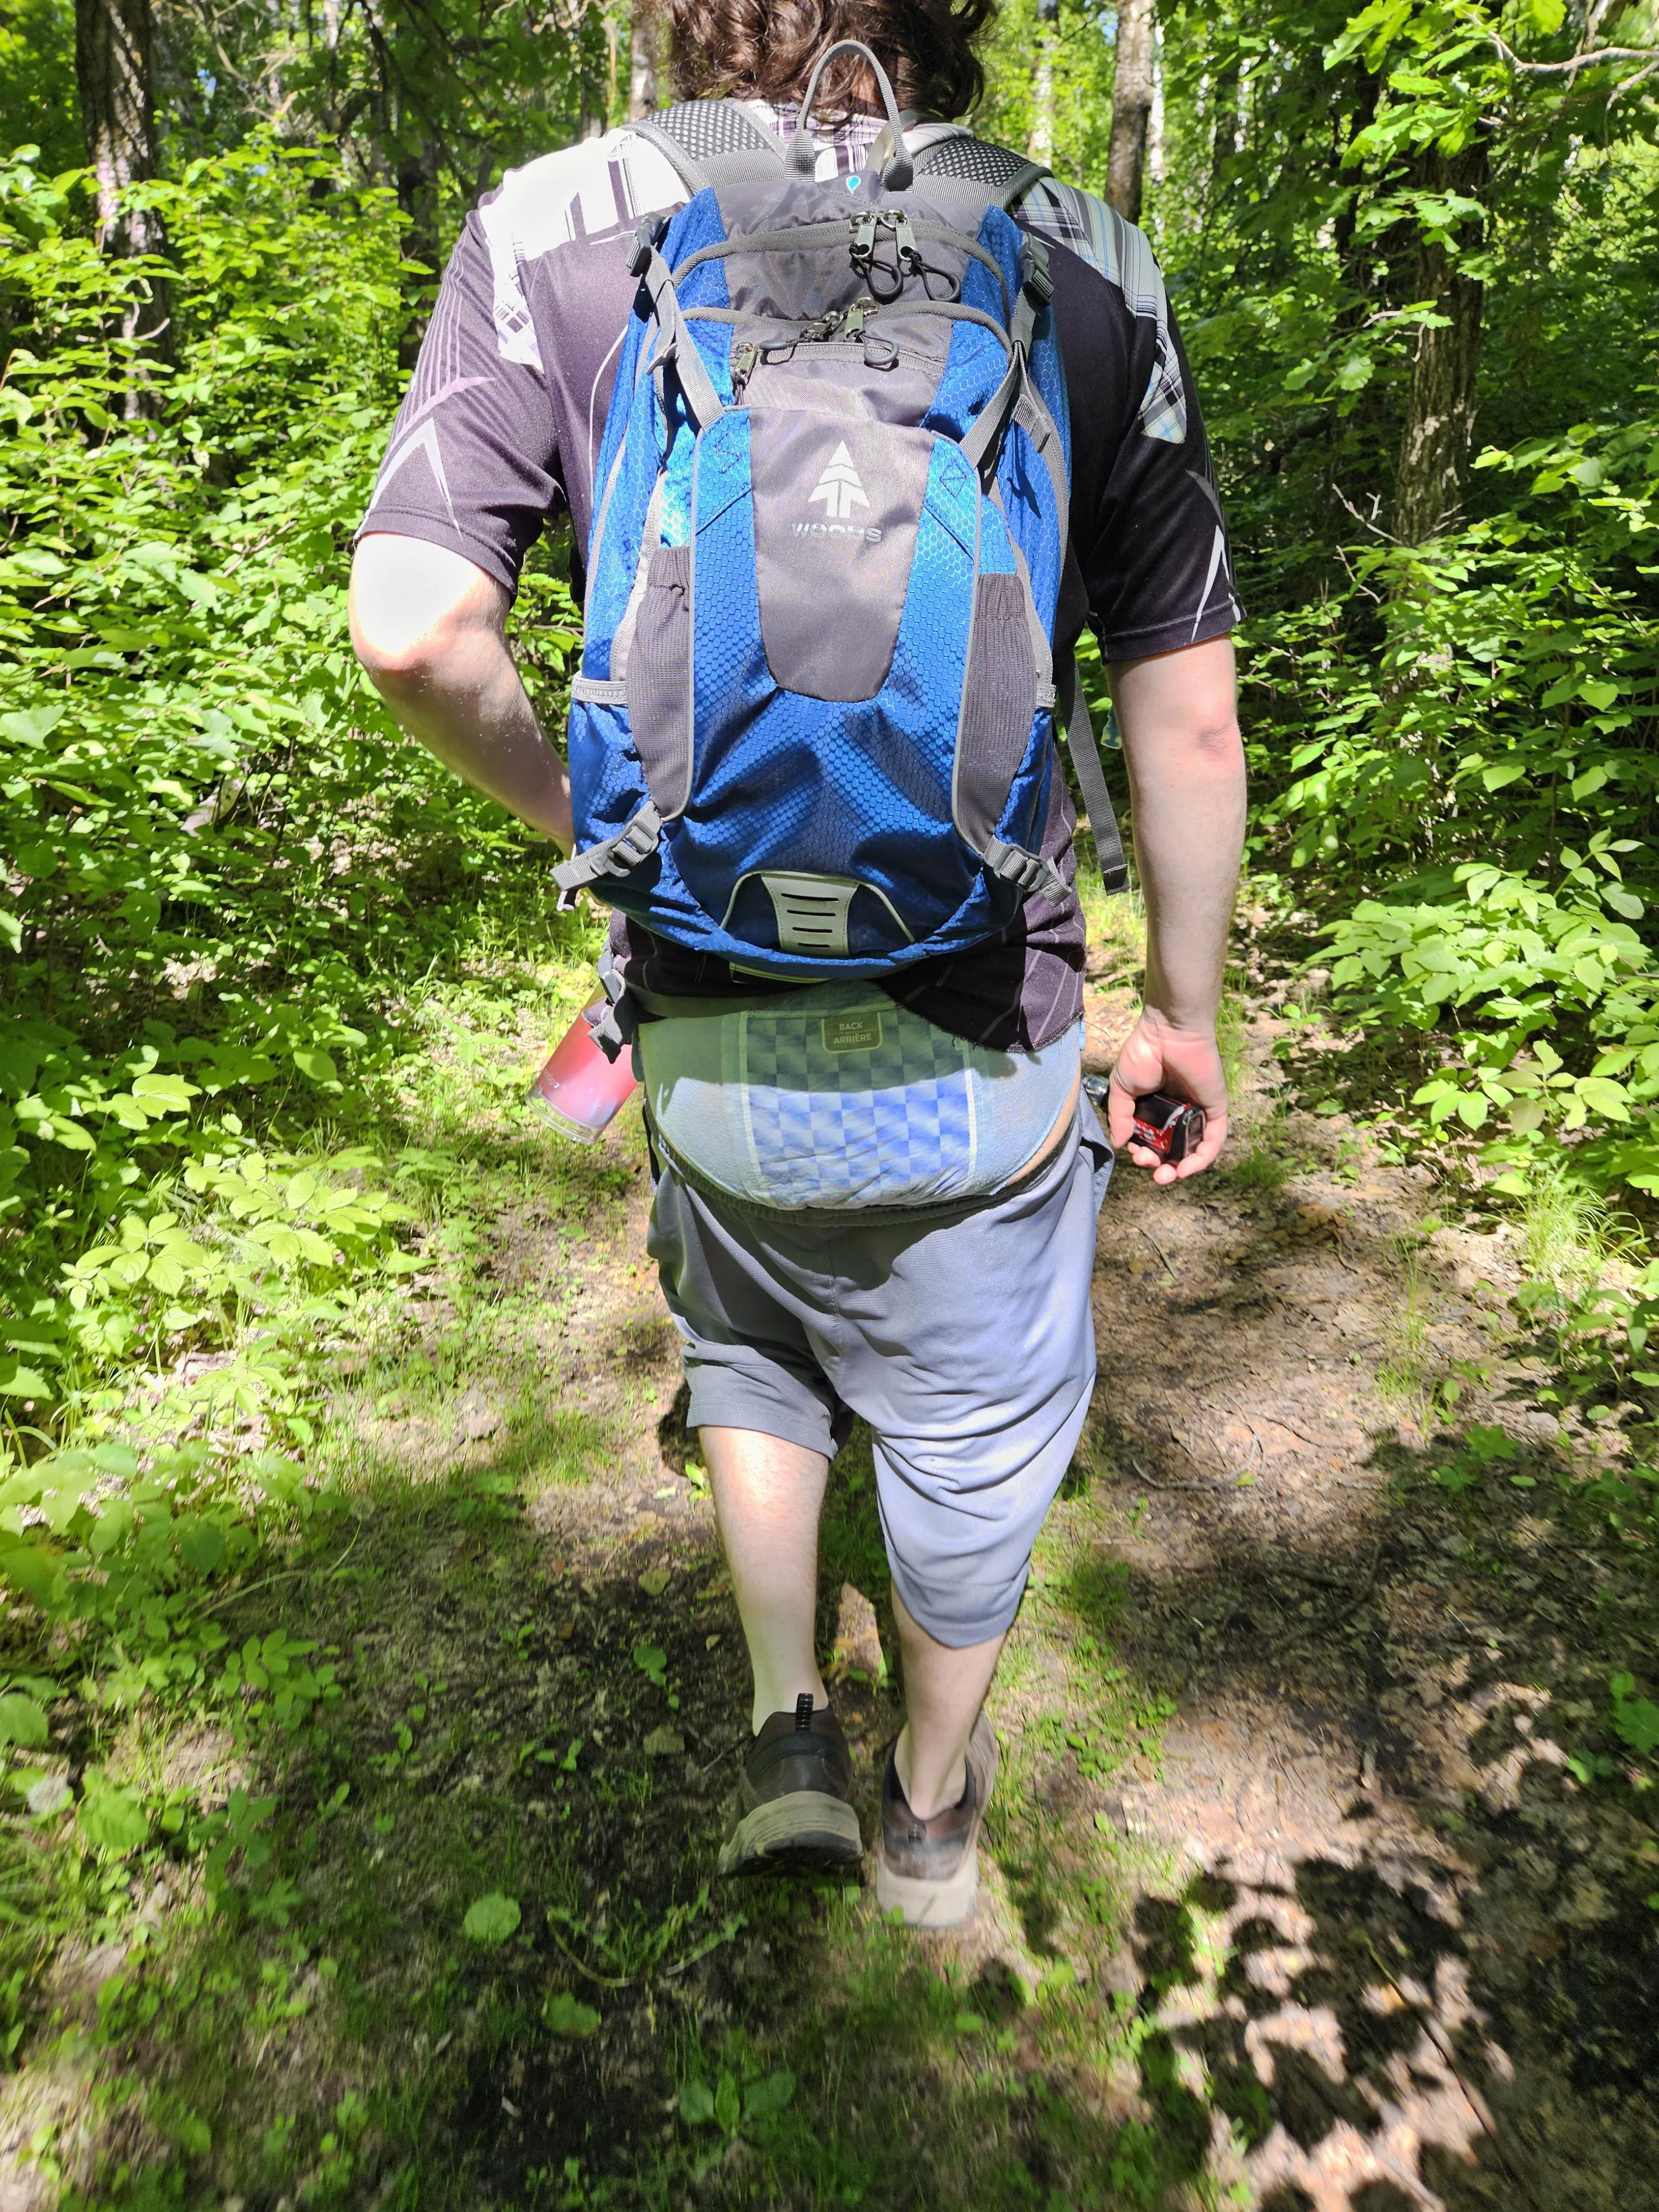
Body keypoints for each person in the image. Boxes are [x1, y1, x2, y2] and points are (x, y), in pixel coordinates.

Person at [349, 0, 1246, 1928]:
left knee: (746, 1343)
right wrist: (1183, 1010)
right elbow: (1187, 721)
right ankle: (932, 1815)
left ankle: (784, 1732)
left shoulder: (556, 222)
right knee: (977, 1435)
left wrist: (612, 831)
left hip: (702, 1041)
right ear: (955, 24)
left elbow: (414, 629)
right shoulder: (1086, 257)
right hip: (979, 1042)